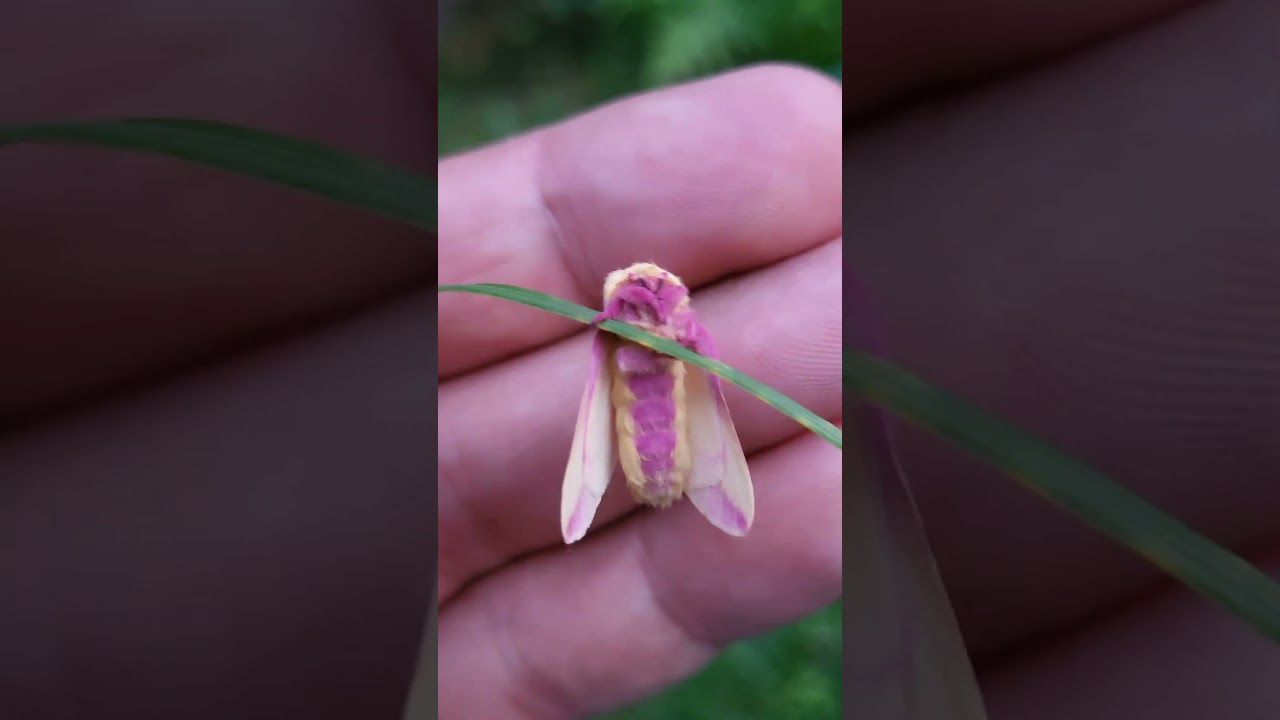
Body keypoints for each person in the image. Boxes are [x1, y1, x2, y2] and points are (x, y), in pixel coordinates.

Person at [2, 2, 1278, 719]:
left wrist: (665, 375)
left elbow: (672, 375)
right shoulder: (624, 345)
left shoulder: (666, 343)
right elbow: (619, 396)